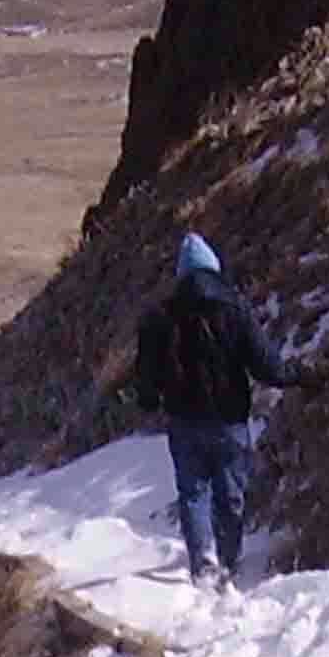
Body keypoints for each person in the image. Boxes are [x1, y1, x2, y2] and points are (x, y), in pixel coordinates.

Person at [129, 230, 308, 588]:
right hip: (229, 419)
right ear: (214, 268)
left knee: (193, 493)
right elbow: (265, 365)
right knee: (231, 494)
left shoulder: (160, 316)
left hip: (182, 420)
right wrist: (299, 376)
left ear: (181, 273)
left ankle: (203, 565)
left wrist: (149, 401)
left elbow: (146, 372)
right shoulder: (234, 309)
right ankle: (228, 561)